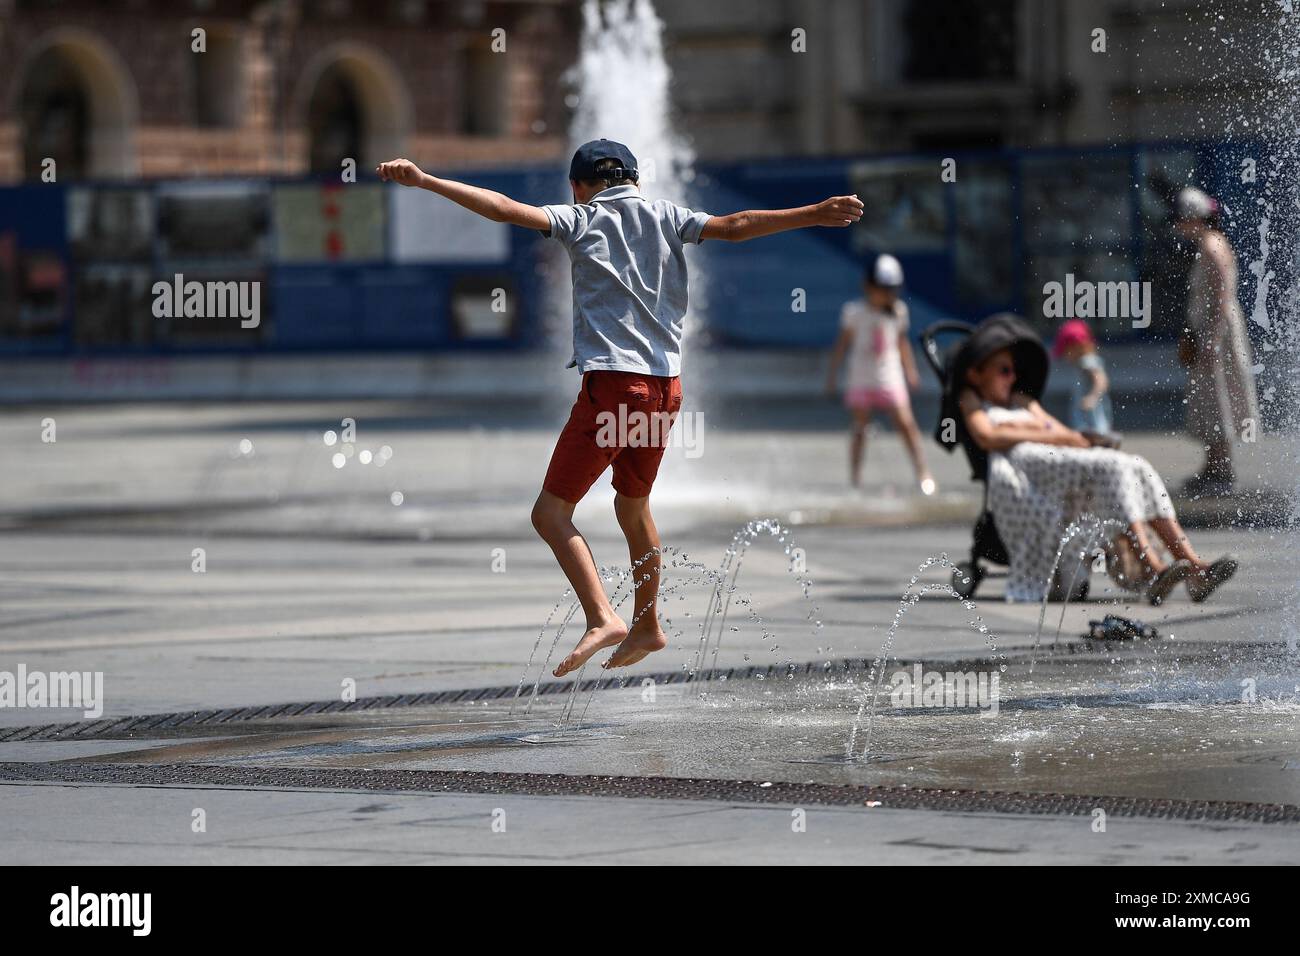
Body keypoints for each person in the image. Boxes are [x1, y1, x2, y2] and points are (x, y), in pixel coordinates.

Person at [377, 142, 864, 675]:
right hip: (666, 389)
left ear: (578, 186)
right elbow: (737, 224)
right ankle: (649, 625)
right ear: (636, 180)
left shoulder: (581, 218)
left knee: (550, 513)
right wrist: (814, 213)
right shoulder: (668, 215)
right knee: (632, 508)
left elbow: (500, 207)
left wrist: (426, 181)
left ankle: (602, 616)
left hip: (615, 386)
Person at [953, 330, 1237, 605]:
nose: (1011, 376)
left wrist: (1051, 433)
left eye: (1013, 370)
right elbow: (987, 436)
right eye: (1003, 370)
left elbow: (1061, 431)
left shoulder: (1020, 399)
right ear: (975, 374)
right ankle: (1154, 565)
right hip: (1028, 468)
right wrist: (1045, 432)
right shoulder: (972, 399)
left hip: (1057, 458)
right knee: (1111, 469)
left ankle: (1194, 567)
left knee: (1135, 466)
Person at [825, 254, 935, 494]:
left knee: (906, 424)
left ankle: (923, 473)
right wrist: (832, 375)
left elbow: (902, 343)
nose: (888, 295)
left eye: (891, 290)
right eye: (883, 289)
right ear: (868, 287)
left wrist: (911, 371)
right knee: (860, 429)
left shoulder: (898, 312)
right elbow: (841, 345)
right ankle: (855, 478)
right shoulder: (853, 312)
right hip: (861, 378)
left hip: (890, 376)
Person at [1175, 186, 1258, 494]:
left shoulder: (1212, 245)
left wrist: (1212, 338)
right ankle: (1213, 465)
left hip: (1217, 334)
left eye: (1184, 219)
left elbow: (1223, 296)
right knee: (1208, 399)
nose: (1180, 225)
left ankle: (1221, 469)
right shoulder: (1207, 244)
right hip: (1209, 332)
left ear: (1196, 218)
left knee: (1218, 396)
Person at [1052, 318, 1115, 440]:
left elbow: (1101, 380)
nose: (1065, 357)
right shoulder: (1083, 363)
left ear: (1075, 347)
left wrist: (1093, 397)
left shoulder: (1088, 362)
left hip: (1093, 427)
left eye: (1065, 352)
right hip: (1090, 426)